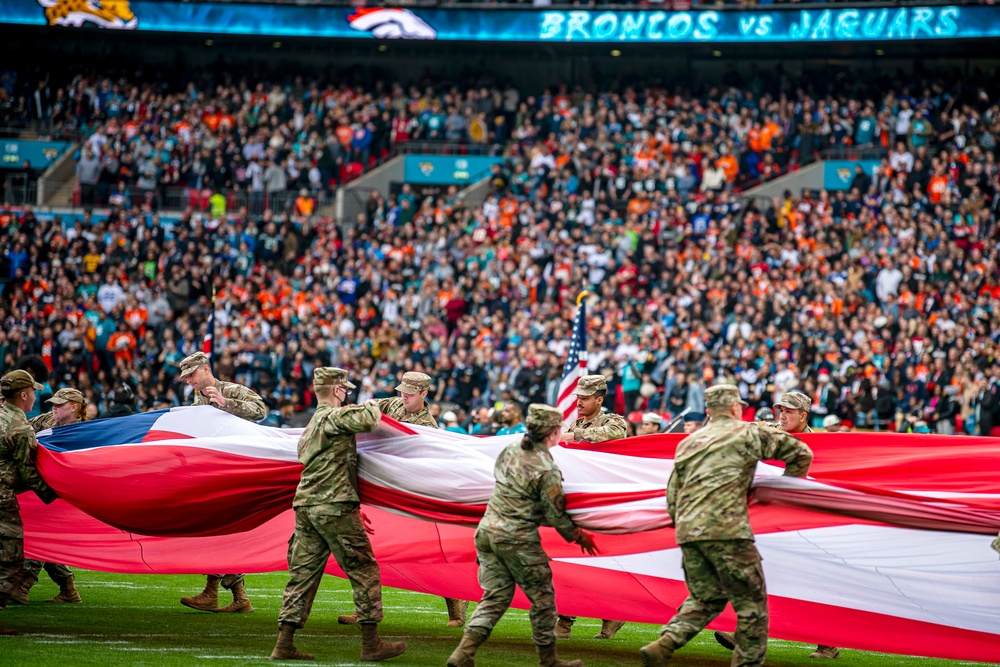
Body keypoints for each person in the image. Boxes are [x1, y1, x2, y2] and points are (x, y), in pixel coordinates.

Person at [639, 384, 813, 667]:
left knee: (706, 598)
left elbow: (673, 494)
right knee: (752, 607)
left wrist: (686, 526)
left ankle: (664, 644)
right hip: (728, 532)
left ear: (708, 411)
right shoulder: (747, 433)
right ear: (735, 408)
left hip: (689, 533)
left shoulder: (689, 442)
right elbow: (802, 454)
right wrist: (784, 494)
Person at [270, 367, 406, 662]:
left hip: (306, 508)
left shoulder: (310, 426)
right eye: (346, 391)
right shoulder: (333, 417)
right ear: (336, 390)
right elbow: (369, 419)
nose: (347, 397)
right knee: (364, 569)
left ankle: (284, 643)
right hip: (334, 506)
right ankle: (371, 644)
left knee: (302, 575)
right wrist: (372, 402)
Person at [447, 404, 599, 667]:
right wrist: (578, 536)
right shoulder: (546, 467)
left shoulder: (511, 450)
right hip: (517, 538)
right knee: (543, 599)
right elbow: (555, 514)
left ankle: (462, 654)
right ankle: (548, 659)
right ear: (553, 432)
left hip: (487, 532)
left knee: (494, 597)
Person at [715, 389, 840, 660]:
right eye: (780, 411)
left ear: (803, 415)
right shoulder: (771, 430)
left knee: (811, 582)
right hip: (773, 521)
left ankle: (828, 641)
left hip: (808, 524)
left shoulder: (823, 446)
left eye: (789, 412)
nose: (782, 416)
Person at [340, 371, 464, 628]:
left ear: (424, 394)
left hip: (411, 493)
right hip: (380, 490)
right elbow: (370, 407)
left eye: (409, 393)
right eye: (402, 391)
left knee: (435, 549)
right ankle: (365, 610)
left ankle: (456, 604)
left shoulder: (428, 426)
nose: (403, 396)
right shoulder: (394, 403)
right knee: (368, 548)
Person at [177, 351, 266, 614]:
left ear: (205, 369)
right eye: (185, 377)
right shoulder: (196, 401)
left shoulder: (232, 390)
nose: (189, 381)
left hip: (237, 472)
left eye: (192, 374)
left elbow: (260, 410)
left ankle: (216, 593)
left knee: (223, 531)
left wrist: (226, 402)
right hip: (211, 473)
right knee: (217, 531)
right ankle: (235, 597)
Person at [557, 374, 627, 639]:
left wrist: (574, 434)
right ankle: (564, 621)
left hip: (606, 503)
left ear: (599, 399)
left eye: (585, 398)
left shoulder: (612, 421)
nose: (579, 403)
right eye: (578, 398)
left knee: (608, 564)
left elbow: (614, 435)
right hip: (579, 501)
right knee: (571, 563)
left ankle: (612, 617)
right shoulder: (577, 422)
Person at [13, 388, 87, 605]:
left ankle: (24, 585)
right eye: (52, 404)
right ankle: (68, 588)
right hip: (40, 487)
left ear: (74, 407)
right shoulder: (47, 420)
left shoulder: (83, 432)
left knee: (41, 534)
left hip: (60, 493)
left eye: (59, 405)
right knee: (44, 536)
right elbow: (24, 428)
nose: (53, 408)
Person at [0, 370, 59, 636]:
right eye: (34, 391)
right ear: (24, 395)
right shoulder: (21, 429)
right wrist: (55, 493)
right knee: (10, 560)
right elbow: (28, 472)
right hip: (2, 500)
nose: (36, 395)